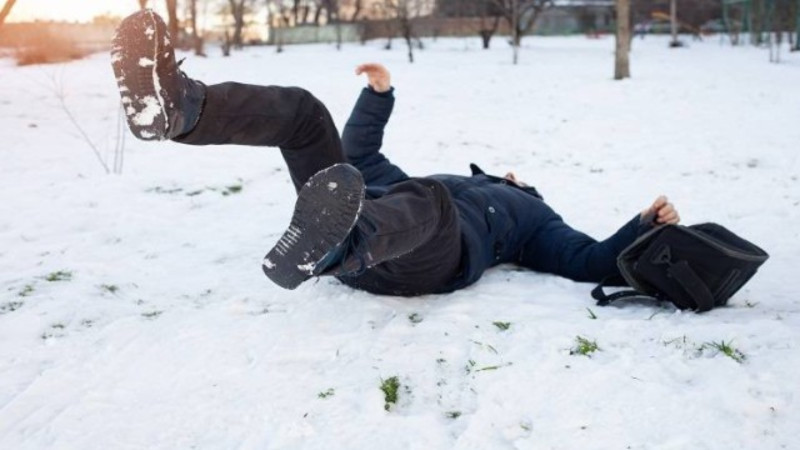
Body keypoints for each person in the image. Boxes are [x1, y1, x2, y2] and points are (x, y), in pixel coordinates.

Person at [111, 10, 680, 297]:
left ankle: (342, 239)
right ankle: (180, 109)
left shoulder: (537, 225)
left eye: (517, 179)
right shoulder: (442, 184)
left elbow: (592, 262)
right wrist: (378, 96)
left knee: (428, 200)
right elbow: (360, 156)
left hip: (422, 258)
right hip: (377, 230)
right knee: (307, 114)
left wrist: (642, 227)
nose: (511, 177)